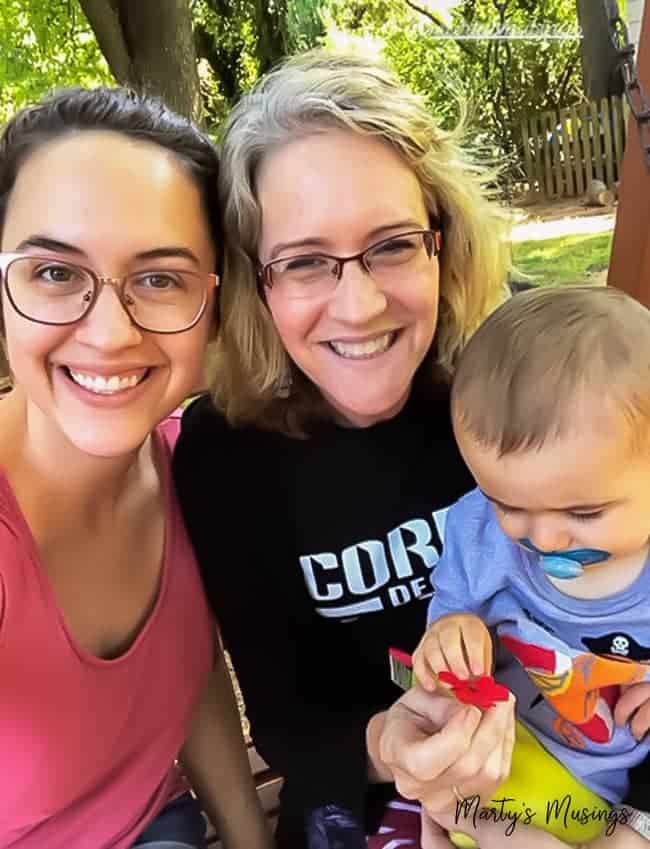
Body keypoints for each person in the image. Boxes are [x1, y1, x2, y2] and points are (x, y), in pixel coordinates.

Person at [173, 48, 517, 849]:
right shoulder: (225, 458)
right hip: (367, 808)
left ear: (443, 240)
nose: (358, 305)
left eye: (393, 244)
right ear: (254, 280)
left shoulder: (519, 383)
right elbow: (289, 723)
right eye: (303, 262)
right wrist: (386, 743)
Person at [0, 87, 273, 849]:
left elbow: (186, 673)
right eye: (54, 273)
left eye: (159, 278)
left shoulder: (194, 461)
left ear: (215, 302)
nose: (110, 333)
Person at [414, 286, 650, 847]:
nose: (543, 538)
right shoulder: (479, 535)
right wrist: (452, 632)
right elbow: (448, 618)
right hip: (501, 758)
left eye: (584, 512)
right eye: (510, 504)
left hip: (615, 793)